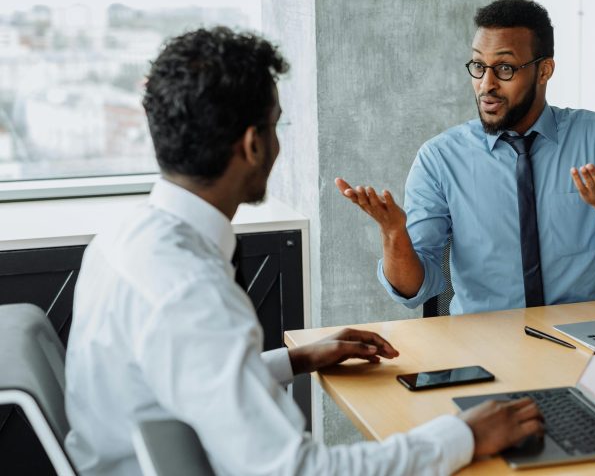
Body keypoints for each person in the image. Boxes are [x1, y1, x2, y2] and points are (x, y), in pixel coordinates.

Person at [64, 27, 544, 476]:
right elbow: (299, 470)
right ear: (253, 145)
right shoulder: (192, 291)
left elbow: (183, 378)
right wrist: (463, 435)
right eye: (276, 125)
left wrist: (295, 359)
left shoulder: (124, 238)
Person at [337, 0, 595, 315]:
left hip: (580, 337)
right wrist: (394, 235)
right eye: (479, 66)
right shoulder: (439, 159)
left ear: (544, 70)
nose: (486, 84)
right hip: (482, 341)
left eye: (505, 68)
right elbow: (413, 290)